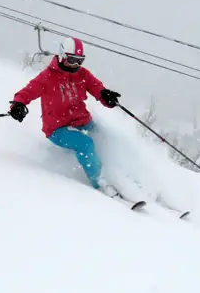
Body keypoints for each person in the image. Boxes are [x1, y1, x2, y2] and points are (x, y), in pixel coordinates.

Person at [8, 37, 122, 196]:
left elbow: (97, 89)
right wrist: (18, 105)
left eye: (80, 61)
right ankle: (101, 183)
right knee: (85, 144)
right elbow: (26, 92)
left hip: (83, 122)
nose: (76, 65)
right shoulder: (47, 77)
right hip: (58, 128)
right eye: (72, 59)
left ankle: (124, 179)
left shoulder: (83, 74)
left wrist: (106, 96)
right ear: (62, 55)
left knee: (108, 140)